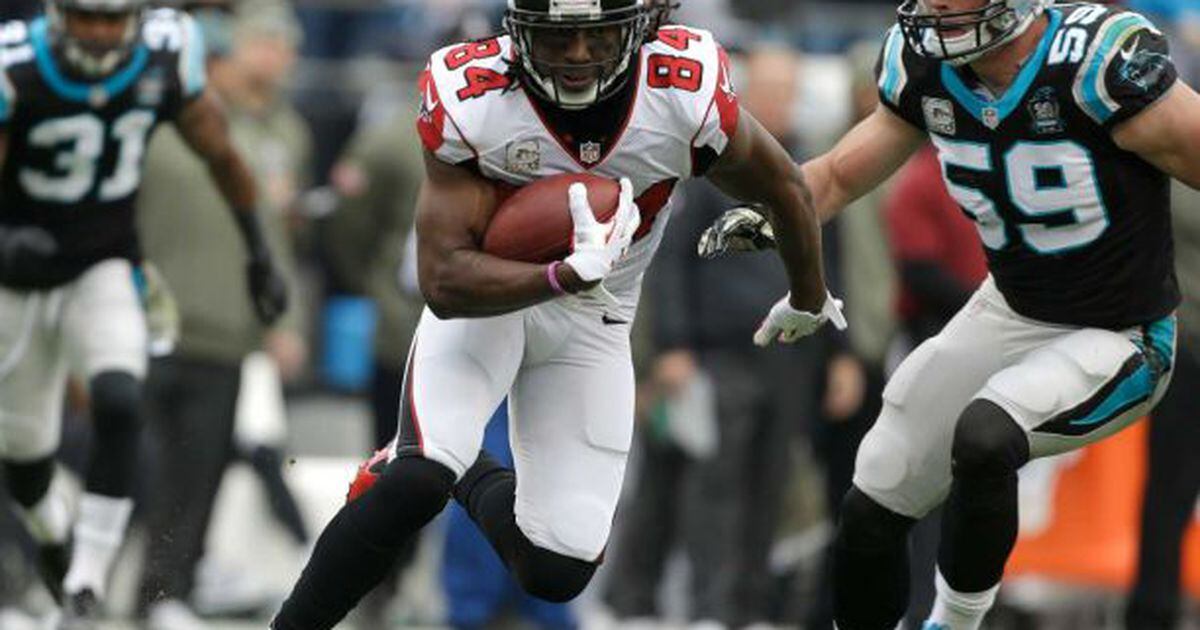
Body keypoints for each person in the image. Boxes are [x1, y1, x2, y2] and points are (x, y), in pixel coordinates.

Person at [270, 0, 846, 627]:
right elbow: (442, 280)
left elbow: (786, 187)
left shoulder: (681, 91)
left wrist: (808, 295)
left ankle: (457, 468)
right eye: (556, 37)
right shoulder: (475, 96)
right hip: (490, 301)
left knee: (557, 570)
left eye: (597, 34)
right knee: (416, 482)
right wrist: (556, 274)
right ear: (517, 30)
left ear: (640, 25)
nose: (577, 57)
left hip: (595, 319)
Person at [698, 0, 1200, 628]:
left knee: (987, 435)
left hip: (1121, 334)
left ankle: (956, 622)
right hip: (1010, 309)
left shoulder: (1097, 64)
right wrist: (769, 218)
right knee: (875, 491)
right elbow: (835, 177)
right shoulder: (924, 70)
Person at [0, 0, 289, 627]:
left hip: (103, 264)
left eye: (112, 19)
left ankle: (86, 581)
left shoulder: (164, 56)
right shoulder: (15, 68)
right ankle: (55, 546)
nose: (101, 34)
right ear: (57, 17)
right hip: (16, 283)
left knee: (120, 399)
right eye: (86, 18)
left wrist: (259, 251)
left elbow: (221, 155)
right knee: (24, 462)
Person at [133, 2, 308, 628]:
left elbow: (277, 238)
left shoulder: (285, 134)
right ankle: (86, 588)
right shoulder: (155, 125)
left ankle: (165, 595)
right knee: (134, 468)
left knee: (198, 474)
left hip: (227, 332)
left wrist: (282, 322)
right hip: (145, 328)